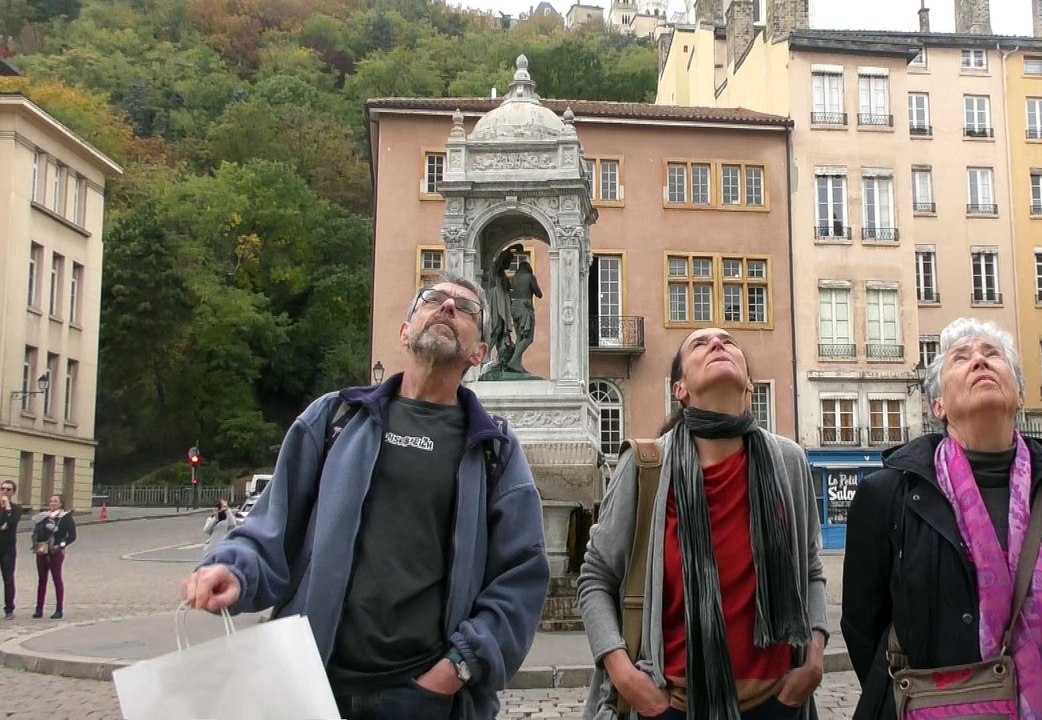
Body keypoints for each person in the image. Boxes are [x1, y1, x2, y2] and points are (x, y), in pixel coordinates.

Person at [180, 274, 552, 720]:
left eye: (467, 307)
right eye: (433, 299)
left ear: (480, 354)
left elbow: (522, 574)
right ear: (404, 331)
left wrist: (458, 667)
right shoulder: (333, 418)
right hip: (310, 686)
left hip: (424, 699)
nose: (448, 307)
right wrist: (233, 570)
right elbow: (270, 528)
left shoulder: (495, 449)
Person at [841, 318, 1042, 720]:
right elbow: (862, 628)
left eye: (993, 355)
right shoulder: (889, 494)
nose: (979, 362)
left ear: (1020, 394)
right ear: (938, 405)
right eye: (961, 358)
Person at [579, 327, 828, 720]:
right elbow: (596, 577)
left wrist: (813, 660)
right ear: (680, 389)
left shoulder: (789, 462)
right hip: (672, 706)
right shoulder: (647, 467)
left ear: (749, 382)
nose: (717, 344)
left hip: (776, 704)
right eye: (700, 344)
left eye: (729, 342)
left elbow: (811, 569)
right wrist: (625, 676)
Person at [31, 494, 75, 620]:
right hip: (42, 549)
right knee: (42, 579)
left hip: (56, 551)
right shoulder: (43, 517)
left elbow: (72, 536)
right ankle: (39, 609)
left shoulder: (65, 517)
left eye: (55, 501)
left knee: (56, 578)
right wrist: (36, 544)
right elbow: (37, 532)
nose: (52, 503)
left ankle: (59, 609)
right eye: (51, 501)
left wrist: (61, 546)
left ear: (61, 503)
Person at [507, 257, 542, 375]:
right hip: (525, 306)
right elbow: (539, 293)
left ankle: (517, 365)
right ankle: (513, 361)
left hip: (514, 307)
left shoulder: (515, 278)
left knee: (519, 338)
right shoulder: (529, 277)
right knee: (528, 338)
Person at [0, 480, 23, 619]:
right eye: (3, 489)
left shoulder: (16, 508)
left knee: (8, 579)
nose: (5, 491)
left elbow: (12, 523)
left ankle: (9, 609)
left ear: (13, 492)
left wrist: (7, 506)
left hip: (8, 549)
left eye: (8, 489)